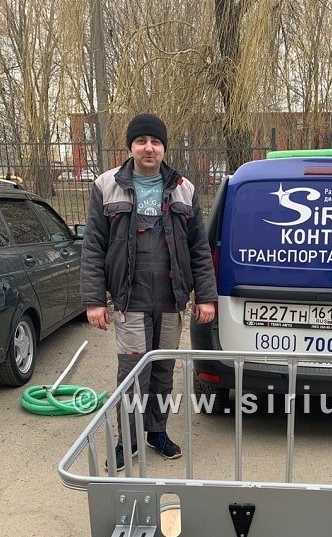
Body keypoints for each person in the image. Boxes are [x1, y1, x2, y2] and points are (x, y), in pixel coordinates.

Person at [81, 113, 217, 470]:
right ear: (131, 146)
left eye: (155, 141)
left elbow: (199, 249)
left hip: (172, 299)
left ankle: (157, 431)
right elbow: (93, 246)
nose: (148, 148)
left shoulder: (183, 188)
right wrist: (95, 300)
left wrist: (206, 296)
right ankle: (128, 440)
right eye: (141, 141)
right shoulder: (106, 185)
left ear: (164, 148)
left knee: (162, 371)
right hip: (131, 298)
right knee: (132, 374)